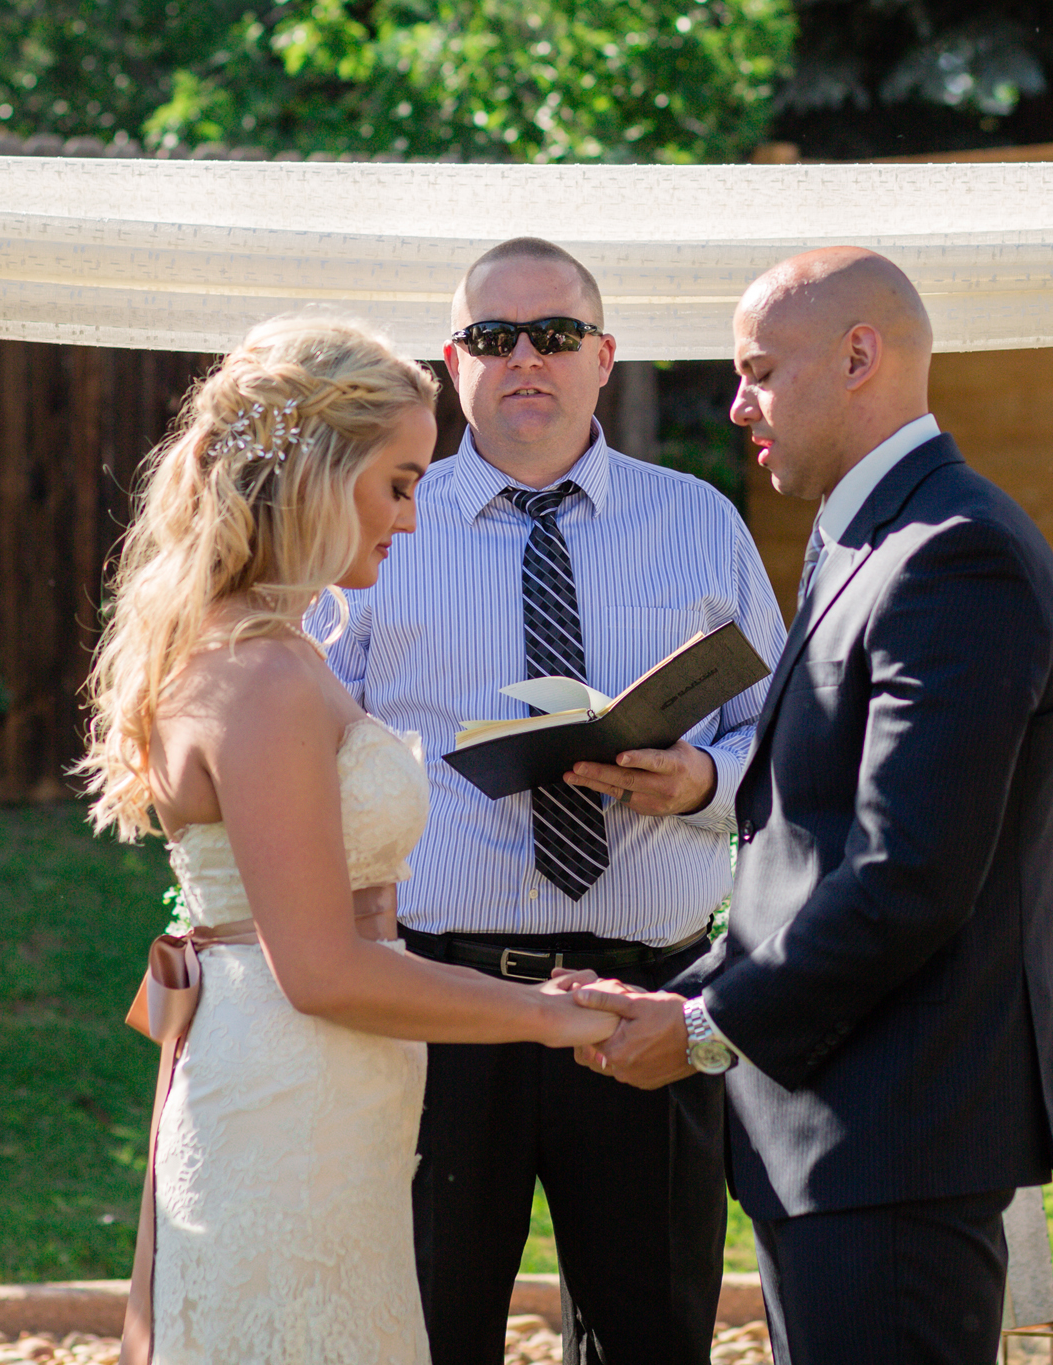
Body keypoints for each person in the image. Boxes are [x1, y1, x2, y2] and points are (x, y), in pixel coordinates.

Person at [570, 248, 1053, 1365]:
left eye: (756, 370)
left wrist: (705, 1032)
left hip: (895, 1139)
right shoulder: (865, 539)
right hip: (839, 1145)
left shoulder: (954, 556)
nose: (734, 403)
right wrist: (661, 994)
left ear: (859, 356)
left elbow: (909, 876)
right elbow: (802, 860)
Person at [73, 316, 617, 1365]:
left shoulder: (280, 648)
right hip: (289, 1098)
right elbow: (319, 970)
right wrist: (550, 1021)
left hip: (329, 1095)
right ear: (320, 476)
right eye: (399, 483)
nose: (411, 520)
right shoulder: (263, 675)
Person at [319, 238, 787, 1365]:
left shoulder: (697, 521)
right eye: (492, 337)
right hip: (439, 996)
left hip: (647, 1005)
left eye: (553, 334)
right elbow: (305, 740)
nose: (523, 356)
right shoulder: (379, 528)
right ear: (452, 362)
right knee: (428, 1331)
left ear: (603, 356)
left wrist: (701, 778)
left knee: (652, 1335)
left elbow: (782, 733)